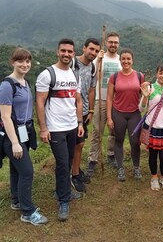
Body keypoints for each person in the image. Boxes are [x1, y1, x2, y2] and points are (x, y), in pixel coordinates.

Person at [36, 39, 84, 221]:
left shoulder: (75, 75)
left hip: (72, 125)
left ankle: (60, 191)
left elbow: (77, 100)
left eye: (69, 52)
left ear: (73, 54)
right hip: (55, 128)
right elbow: (39, 101)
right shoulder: (47, 74)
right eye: (63, 51)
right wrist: (43, 128)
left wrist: (80, 123)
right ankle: (64, 200)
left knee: (69, 161)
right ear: (57, 52)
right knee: (63, 163)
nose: (66, 54)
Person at [0, 48, 48, 225]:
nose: (25, 65)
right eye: (21, 61)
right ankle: (27, 212)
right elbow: (5, 116)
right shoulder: (7, 85)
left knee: (16, 168)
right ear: (13, 62)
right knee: (27, 172)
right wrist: (14, 143)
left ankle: (16, 200)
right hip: (13, 135)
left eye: (28, 61)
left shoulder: (25, 82)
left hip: (25, 131)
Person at [107, 49, 144, 181]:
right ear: (120, 60)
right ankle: (120, 168)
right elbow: (110, 98)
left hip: (134, 114)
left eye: (128, 59)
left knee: (135, 142)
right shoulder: (114, 77)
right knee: (119, 141)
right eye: (123, 58)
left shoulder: (139, 76)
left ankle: (136, 168)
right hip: (118, 113)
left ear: (132, 60)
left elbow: (144, 96)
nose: (126, 61)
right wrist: (109, 118)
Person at [87, 32, 122, 176]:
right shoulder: (98, 58)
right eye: (111, 42)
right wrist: (98, 60)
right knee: (97, 130)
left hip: (116, 100)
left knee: (114, 130)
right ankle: (93, 159)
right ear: (106, 43)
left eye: (116, 42)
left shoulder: (121, 60)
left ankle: (111, 154)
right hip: (101, 99)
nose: (113, 44)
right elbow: (93, 76)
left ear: (118, 44)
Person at [71, 38, 102, 192]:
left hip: (82, 112)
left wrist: (90, 110)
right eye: (91, 49)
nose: (93, 53)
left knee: (80, 143)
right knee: (72, 144)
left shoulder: (93, 68)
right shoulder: (72, 63)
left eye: (96, 51)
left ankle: (75, 172)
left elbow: (91, 90)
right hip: (67, 111)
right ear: (83, 48)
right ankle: (72, 175)